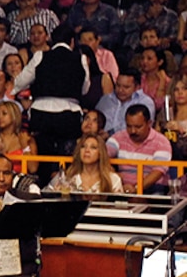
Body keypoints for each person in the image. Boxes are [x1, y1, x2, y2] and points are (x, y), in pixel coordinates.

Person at [11, 25, 89, 161]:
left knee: (42, 157)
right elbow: (84, 89)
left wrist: (12, 92)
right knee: (66, 159)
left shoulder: (40, 56)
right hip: (69, 114)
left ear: (51, 39)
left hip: (41, 114)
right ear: (72, 41)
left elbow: (21, 82)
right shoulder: (80, 58)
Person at [107, 104, 172, 194]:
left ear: (149, 123)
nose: (133, 131)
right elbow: (102, 157)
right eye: (129, 126)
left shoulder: (162, 142)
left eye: (138, 127)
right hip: (121, 187)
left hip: (152, 188)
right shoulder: (117, 137)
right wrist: (116, 178)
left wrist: (137, 188)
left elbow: (158, 171)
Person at [46, 134, 124, 199]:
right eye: (83, 146)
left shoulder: (113, 180)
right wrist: (56, 194)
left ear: (100, 153)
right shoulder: (66, 177)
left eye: (93, 147)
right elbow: (46, 195)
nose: (87, 150)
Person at [96, 69, 155, 135]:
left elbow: (141, 128)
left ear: (137, 87)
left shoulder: (145, 102)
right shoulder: (105, 99)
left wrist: (110, 134)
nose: (120, 90)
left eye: (126, 87)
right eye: (118, 85)